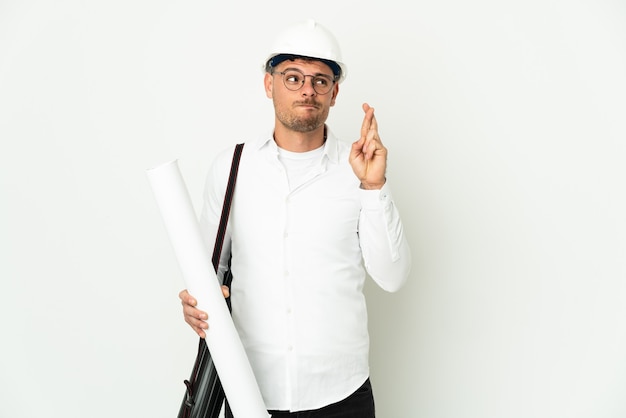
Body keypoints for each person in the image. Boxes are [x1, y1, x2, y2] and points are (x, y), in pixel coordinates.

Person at [179, 19, 411, 417]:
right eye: (293, 77)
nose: (308, 89)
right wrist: (195, 304)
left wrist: (374, 187)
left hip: (341, 394)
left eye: (320, 80)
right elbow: (208, 272)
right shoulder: (232, 168)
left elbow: (392, 276)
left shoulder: (357, 171)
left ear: (334, 93)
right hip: (249, 391)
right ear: (269, 84)